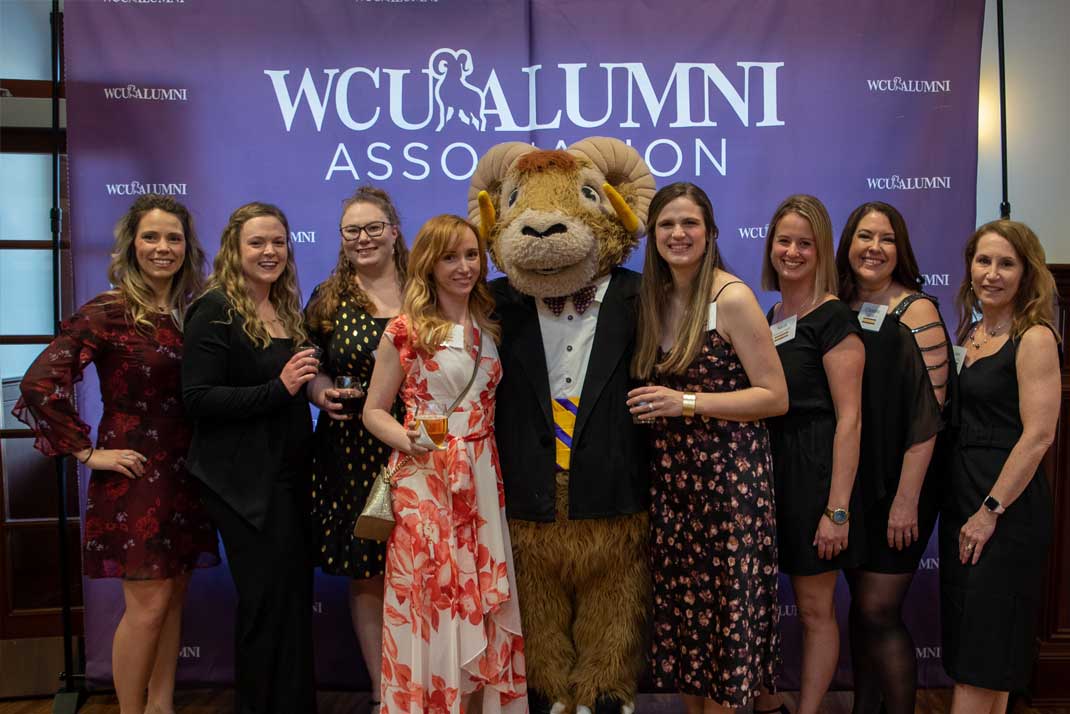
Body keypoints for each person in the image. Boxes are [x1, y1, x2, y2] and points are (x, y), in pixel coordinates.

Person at [14, 194, 219, 714]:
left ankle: (161, 706)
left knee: (173, 601)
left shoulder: (189, 309)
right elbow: (39, 383)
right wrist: (87, 452)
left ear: (186, 247)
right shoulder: (109, 309)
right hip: (136, 476)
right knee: (147, 608)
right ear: (131, 245)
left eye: (173, 237)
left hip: (187, 471)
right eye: (151, 237)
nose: (162, 247)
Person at [627, 182, 788, 713]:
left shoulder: (731, 297)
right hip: (675, 487)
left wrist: (687, 402)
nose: (678, 234)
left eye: (689, 223)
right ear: (652, 236)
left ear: (711, 233)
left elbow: (775, 396)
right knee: (689, 631)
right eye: (666, 224)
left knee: (723, 632)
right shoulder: (654, 299)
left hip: (728, 487)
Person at [363, 215, 526, 714]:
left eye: (471, 255)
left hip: (480, 474)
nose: (463, 267)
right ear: (428, 264)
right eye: (450, 257)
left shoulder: (491, 321)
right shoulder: (405, 330)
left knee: (480, 598)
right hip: (426, 479)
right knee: (431, 599)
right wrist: (405, 438)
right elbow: (373, 411)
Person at [181, 202, 318, 714]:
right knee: (265, 607)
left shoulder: (285, 307)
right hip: (241, 484)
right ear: (234, 250)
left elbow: (294, 389)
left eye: (278, 242)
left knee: (290, 603)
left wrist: (313, 394)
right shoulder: (214, 308)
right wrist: (278, 388)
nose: (269, 252)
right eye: (257, 243)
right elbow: (198, 399)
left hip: (288, 475)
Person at [835, 201, 954, 714]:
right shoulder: (836, 305)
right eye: (865, 236)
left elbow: (933, 417)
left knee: (880, 611)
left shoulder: (917, 311)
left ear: (899, 249)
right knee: (861, 613)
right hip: (854, 484)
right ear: (848, 244)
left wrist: (907, 501)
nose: (874, 248)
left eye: (885, 238)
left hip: (904, 483)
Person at [940, 220, 1060, 714]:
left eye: (1006, 264)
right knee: (985, 654)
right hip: (965, 498)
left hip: (1004, 509)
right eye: (984, 261)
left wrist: (990, 511)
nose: (992, 273)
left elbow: (1038, 436)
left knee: (982, 657)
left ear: (1027, 273)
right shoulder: (973, 330)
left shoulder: (1033, 337)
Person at [753, 195, 865, 714]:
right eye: (784, 240)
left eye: (805, 242)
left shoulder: (834, 316)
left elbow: (850, 418)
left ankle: (810, 709)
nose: (792, 252)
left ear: (821, 250)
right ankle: (770, 700)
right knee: (760, 605)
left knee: (816, 609)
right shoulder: (770, 312)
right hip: (765, 474)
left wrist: (836, 509)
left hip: (815, 476)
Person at [304, 186, 408, 707]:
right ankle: (380, 690)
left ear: (394, 231)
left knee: (421, 566)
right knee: (367, 572)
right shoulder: (327, 300)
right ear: (342, 239)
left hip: (417, 447)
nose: (363, 238)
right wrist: (321, 394)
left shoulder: (427, 291)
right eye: (352, 230)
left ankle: (421, 681)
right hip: (349, 451)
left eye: (373, 228)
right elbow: (311, 369)